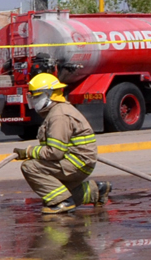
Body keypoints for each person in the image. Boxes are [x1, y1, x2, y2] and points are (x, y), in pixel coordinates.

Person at [14, 73, 110, 214]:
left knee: (30, 167)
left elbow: (55, 152)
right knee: (52, 193)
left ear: (48, 95)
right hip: (78, 161)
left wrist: (28, 152)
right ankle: (97, 191)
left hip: (75, 163)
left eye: (36, 96)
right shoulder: (56, 111)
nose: (33, 101)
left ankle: (63, 203)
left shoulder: (58, 115)